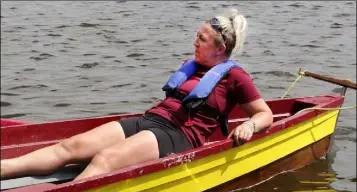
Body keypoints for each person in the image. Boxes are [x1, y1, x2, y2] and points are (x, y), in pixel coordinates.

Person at [0, 8, 273, 181]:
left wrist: (249, 125)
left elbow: (265, 114)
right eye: (196, 35)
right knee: (70, 147)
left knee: (105, 159)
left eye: (201, 39)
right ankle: (4, 168)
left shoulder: (235, 76)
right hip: (151, 120)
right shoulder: (193, 66)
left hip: (179, 135)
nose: (194, 41)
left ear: (220, 47)